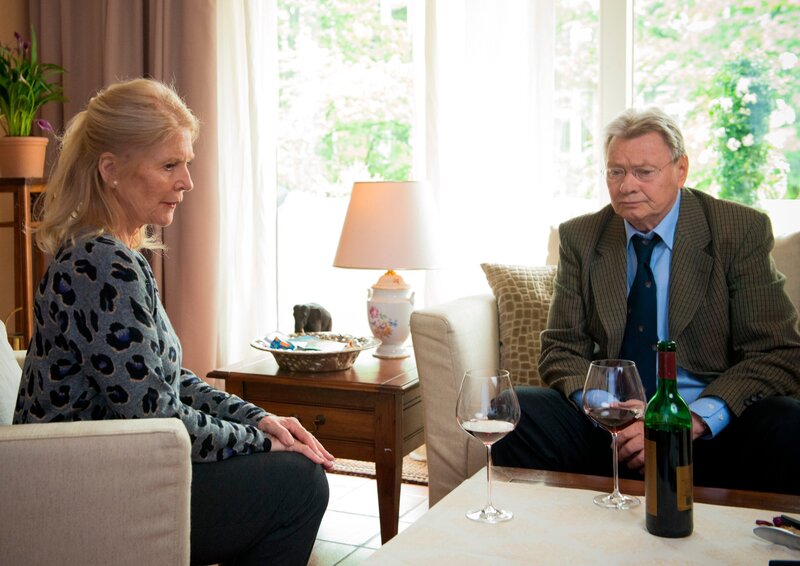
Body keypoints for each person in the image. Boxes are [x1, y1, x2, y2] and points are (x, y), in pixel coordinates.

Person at [14, 78, 335, 565]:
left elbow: (166, 381)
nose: (187, 181)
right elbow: (157, 417)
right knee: (300, 484)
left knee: (289, 469)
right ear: (110, 170)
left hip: (117, 469)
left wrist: (257, 418)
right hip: (86, 492)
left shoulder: (112, 252)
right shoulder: (101, 263)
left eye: (186, 163)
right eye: (169, 165)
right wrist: (261, 441)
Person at [493, 107, 800, 495]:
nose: (627, 186)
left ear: (680, 170)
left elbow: (776, 353)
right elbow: (560, 350)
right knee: (516, 409)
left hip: (707, 432)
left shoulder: (738, 230)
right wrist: (609, 411)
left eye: (644, 172)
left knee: (787, 421)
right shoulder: (582, 237)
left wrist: (692, 420)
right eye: (616, 172)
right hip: (610, 431)